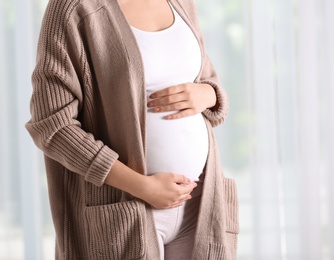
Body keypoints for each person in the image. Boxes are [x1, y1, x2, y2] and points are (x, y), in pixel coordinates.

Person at [26, 0, 239, 259]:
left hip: (200, 202)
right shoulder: (74, 7)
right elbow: (52, 124)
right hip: (124, 207)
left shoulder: (181, 3)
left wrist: (210, 94)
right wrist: (140, 186)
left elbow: (206, 80)